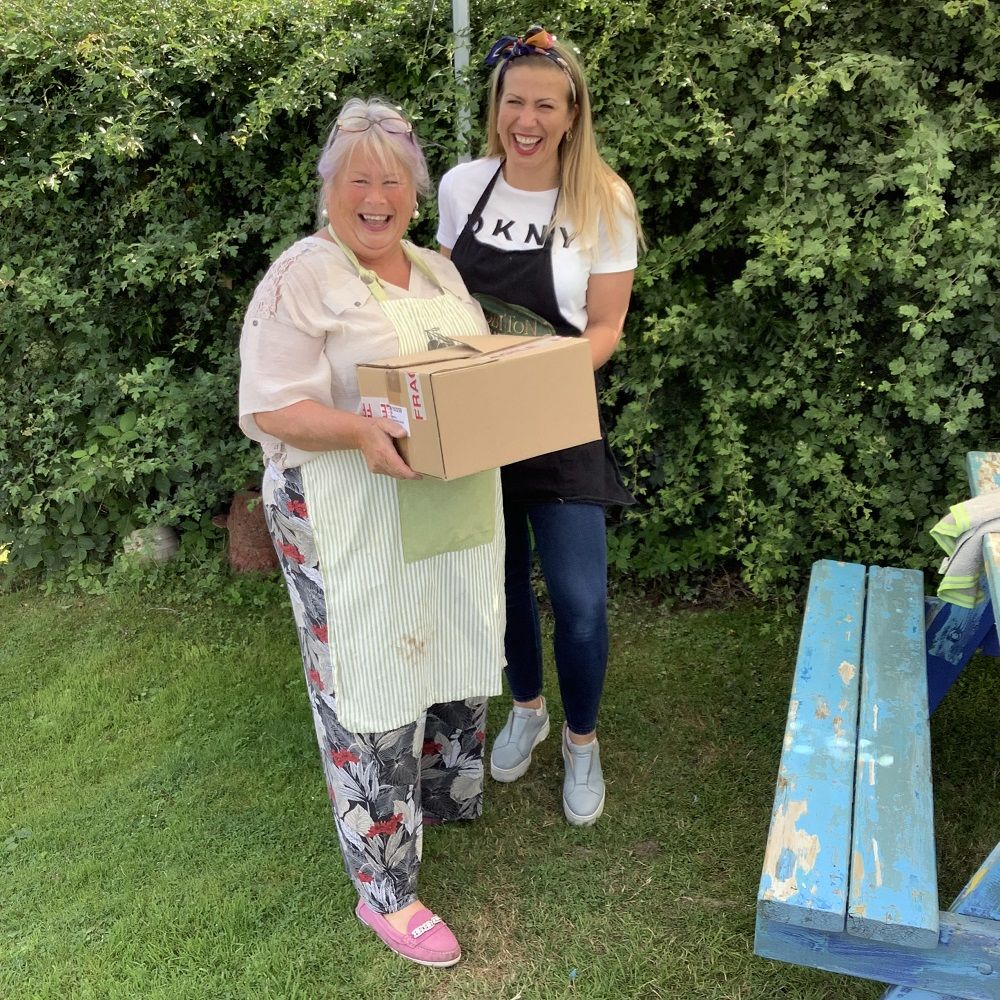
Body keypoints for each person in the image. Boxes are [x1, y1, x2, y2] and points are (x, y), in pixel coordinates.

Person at [239, 97, 505, 968]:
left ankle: (441, 789)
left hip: (446, 503)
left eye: (393, 179)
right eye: (360, 178)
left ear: (416, 194)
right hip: (346, 511)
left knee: (449, 639)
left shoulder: (434, 271)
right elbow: (269, 406)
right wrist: (359, 429)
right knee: (368, 674)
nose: (377, 195)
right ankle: (385, 888)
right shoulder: (302, 277)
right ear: (330, 189)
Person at [437, 27, 642, 827]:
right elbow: (447, 297)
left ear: (570, 112)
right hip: (474, 416)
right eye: (514, 100)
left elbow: (604, 330)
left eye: (544, 104)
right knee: (501, 587)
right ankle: (527, 707)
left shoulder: (604, 198)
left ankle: (582, 741)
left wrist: (534, 374)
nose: (527, 118)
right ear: (498, 107)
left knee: (581, 600)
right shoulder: (462, 186)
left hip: (555, 415)